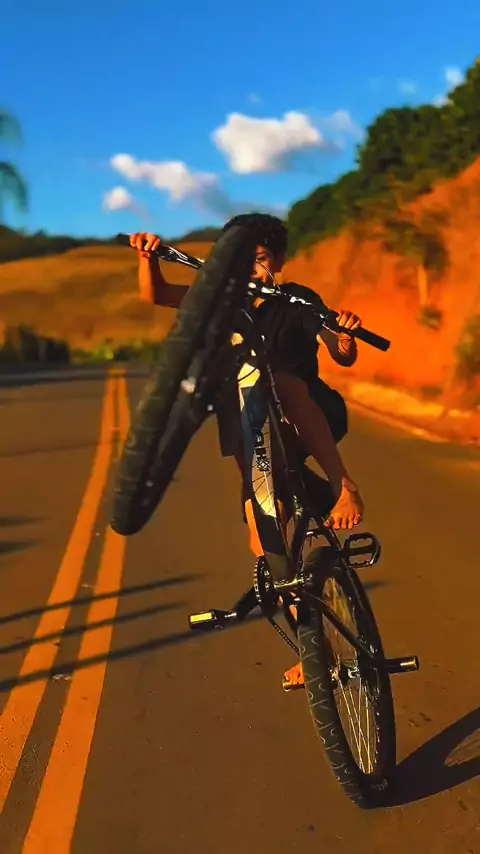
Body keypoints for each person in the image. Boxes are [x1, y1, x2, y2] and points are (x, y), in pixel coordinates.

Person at [130, 213, 365, 690]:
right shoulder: (221, 300)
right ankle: (315, 653)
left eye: (259, 259)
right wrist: (148, 258)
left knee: (284, 382)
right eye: (240, 259)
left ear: (277, 261)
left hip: (308, 414)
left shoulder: (297, 299)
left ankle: (342, 485)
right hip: (249, 427)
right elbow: (159, 295)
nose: (252, 268)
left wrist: (344, 335)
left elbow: (340, 350)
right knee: (266, 543)